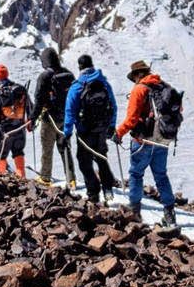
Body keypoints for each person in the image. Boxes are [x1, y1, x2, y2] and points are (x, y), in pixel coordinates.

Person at [114, 60, 178, 226]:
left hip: (143, 140)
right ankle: (169, 213)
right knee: (161, 175)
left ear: (137, 74)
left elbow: (132, 118)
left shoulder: (139, 89)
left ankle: (135, 211)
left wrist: (119, 133)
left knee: (136, 174)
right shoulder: (165, 87)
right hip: (162, 139)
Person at [62, 54, 118, 204]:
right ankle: (108, 189)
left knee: (84, 161)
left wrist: (66, 132)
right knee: (101, 157)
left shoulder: (77, 86)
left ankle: (93, 193)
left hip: (84, 131)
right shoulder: (104, 83)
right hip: (101, 128)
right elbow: (113, 105)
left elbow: (70, 111)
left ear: (80, 67)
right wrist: (111, 126)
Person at [30, 48, 77, 187]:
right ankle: (71, 179)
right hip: (65, 118)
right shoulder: (68, 74)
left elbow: (39, 100)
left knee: (47, 149)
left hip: (49, 118)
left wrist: (32, 119)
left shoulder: (45, 76)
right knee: (65, 148)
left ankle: (45, 178)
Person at [0, 64, 29, 178]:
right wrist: (29, 123)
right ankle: (22, 177)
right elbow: (29, 107)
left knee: (1, 154)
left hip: (5, 129)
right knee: (18, 152)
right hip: (20, 127)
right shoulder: (20, 89)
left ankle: (0, 178)